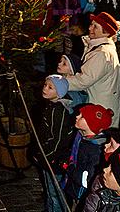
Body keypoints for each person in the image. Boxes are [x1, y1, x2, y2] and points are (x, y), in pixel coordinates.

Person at [65, 12, 120, 125]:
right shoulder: (97, 48)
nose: (90, 28)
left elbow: (84, 80)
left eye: (95, 26)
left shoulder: (101, 53)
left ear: (106, 32)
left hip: (99, 107)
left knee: (95, 136)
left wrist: (60, 82)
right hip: (98, 101)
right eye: (91, 24)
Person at [36, 74, 75, 212]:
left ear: (59, 93)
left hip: (54, 158)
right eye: (45, 85)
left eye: (50, 87)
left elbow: (58, 139)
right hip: (49, 157)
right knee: (49, 189)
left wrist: (45, 155)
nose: (45, 89)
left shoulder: (58, 111)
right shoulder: (51, 106)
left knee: (55, 193)